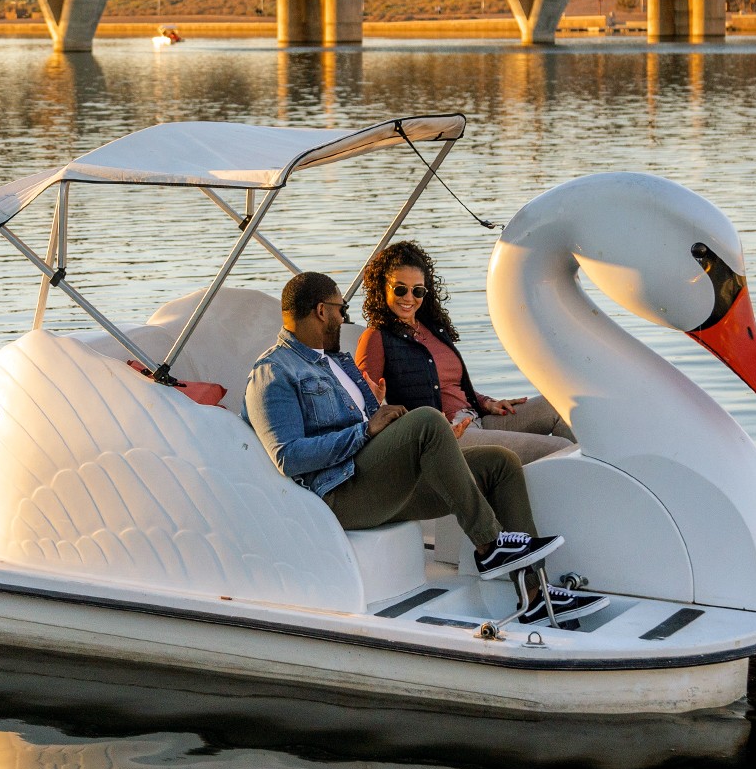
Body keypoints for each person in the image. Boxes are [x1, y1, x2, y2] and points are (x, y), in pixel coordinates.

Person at [243, 271, 606, 626]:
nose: (344, 316)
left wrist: (392, 422)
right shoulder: (273, 372)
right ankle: (489, 545)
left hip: (376, 482)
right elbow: (289, 457)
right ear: (321, 310)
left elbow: (375, 425)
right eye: (341, 308)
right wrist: (366, 430)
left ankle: (535, 595)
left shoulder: (338, 361)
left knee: (498, 462)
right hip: (342, 494)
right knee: (427, 420)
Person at [355, 241, 573, 464]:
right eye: (400, 289)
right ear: (382, 287)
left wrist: (486, 402)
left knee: (563, 406)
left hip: (475, 419)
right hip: (448, 436)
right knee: (562, 449)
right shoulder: (376, 337)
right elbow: (360, 405)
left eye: (417, 290)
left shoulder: (433, 328)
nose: (409, 298)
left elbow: (452, 385)